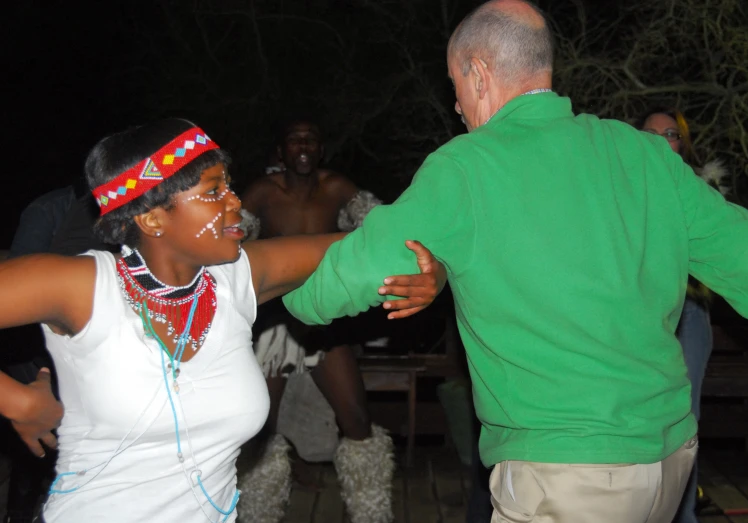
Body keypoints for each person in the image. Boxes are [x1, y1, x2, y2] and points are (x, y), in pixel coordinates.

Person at [279, 1, 748, 522]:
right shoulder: (648, 157)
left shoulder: (467, 167)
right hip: (667, 463)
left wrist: (272, 293)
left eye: (455, 87)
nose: (458, 108)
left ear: (478, 74)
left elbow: (347, 279)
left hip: (568, 474)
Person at [0, 117, 445, 523]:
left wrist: (432, 269)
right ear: (153, 216)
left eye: (228, 186)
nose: (235, 203)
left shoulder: (237, 278)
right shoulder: (83, 285)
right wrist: (16, 402)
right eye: (214, 192)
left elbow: (364, 244)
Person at [238, 115, 391, 523]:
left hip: (323, 319)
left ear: (320, 149)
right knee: (258, 429)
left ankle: (373, 515)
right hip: (273, 321)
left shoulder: (337, 187)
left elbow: (381, 230)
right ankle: (257, 515)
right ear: (281, 151)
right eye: (294, 139)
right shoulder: (262, 192)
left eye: (310, 139)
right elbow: (228, 243)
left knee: (357, 419)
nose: (302, 145)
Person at [1, 180, 114, 523]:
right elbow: (22, 279)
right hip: (45, 353)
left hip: (105, 356)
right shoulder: (52, 208)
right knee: (42, 447)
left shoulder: (137, 209)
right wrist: (13, 398)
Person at [638, 107, 729, 523]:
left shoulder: (701, 189)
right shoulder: (623, 187)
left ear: (683, 143)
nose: (662, 140)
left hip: (688, 314)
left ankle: (685, 514)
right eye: (651, 133)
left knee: (684, 416)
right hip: (639, 316)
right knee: (641, 415)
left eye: (671, 133)